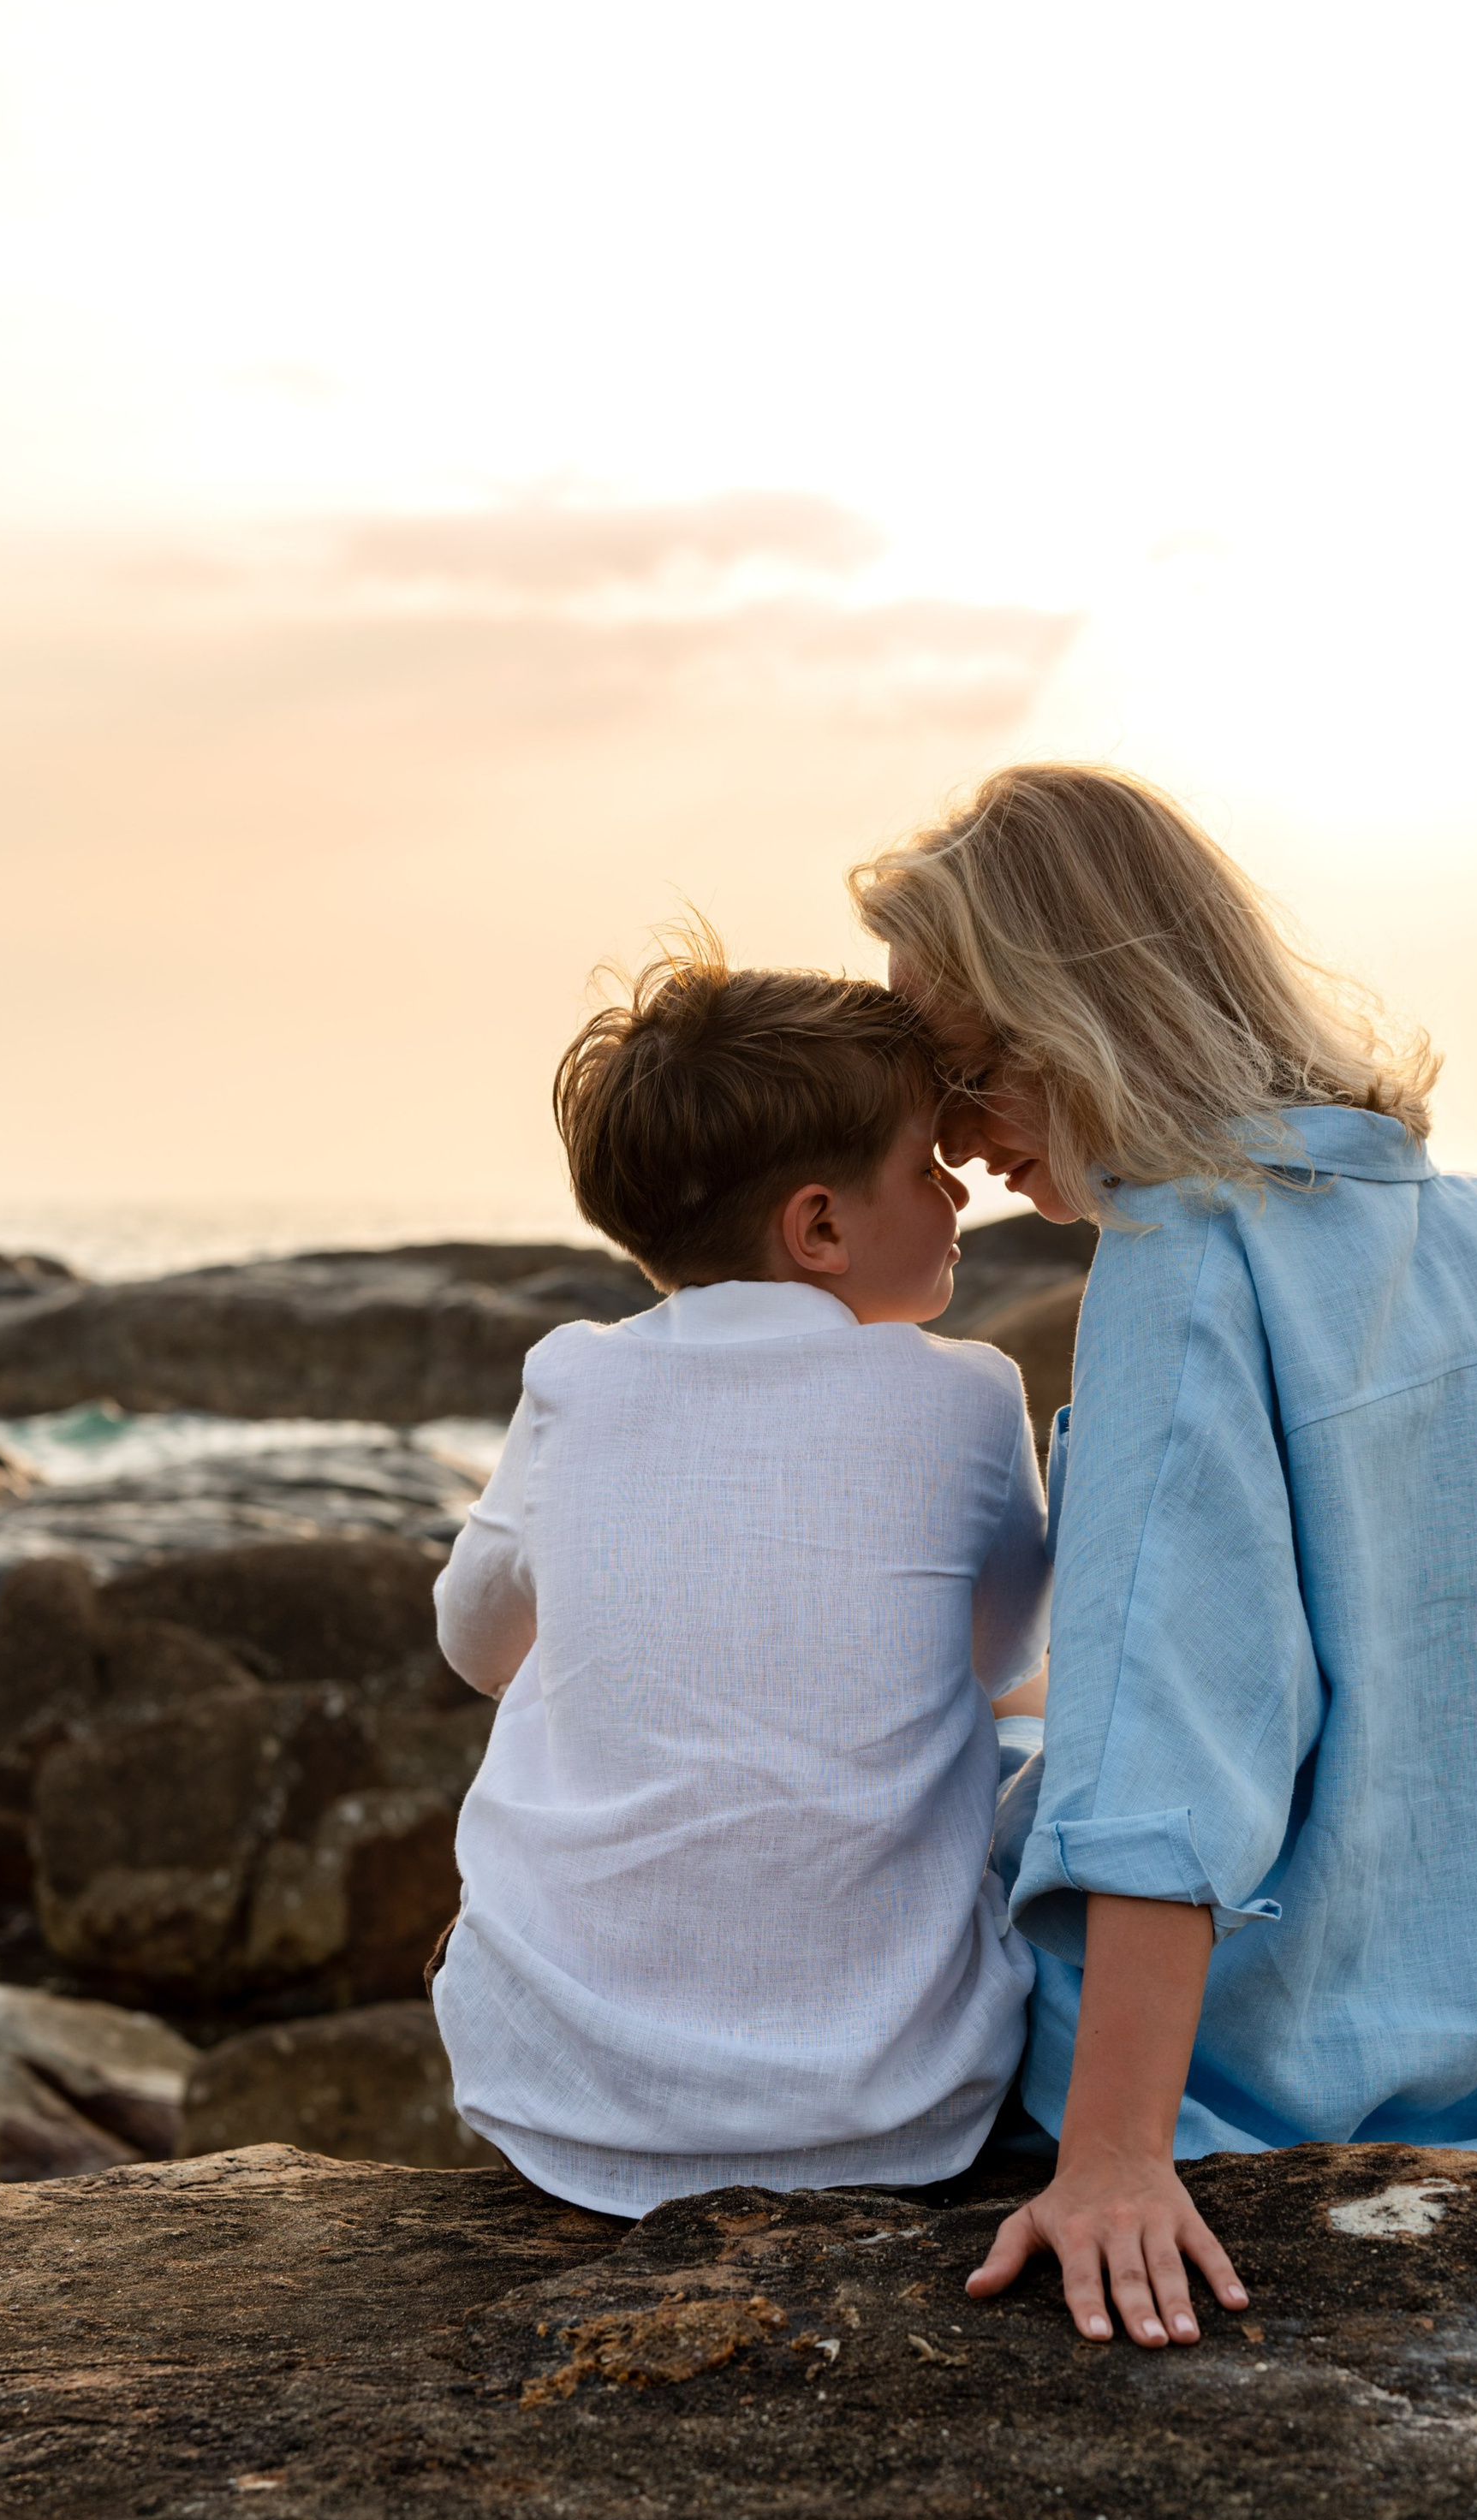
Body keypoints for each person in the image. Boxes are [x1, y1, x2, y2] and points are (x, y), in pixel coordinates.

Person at [851, 761, 1477, 2351]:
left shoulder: (1186, 1264)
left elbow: (1172, 1742)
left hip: (1232, 2100)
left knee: (927, 1740)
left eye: (961, 1072)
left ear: (1078, 1022)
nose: (951, 1142)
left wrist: (1112, 2159)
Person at [429, 944, 1050, 2216]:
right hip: (902, 2100)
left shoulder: (572, 1378)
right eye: (928, 1167)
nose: (956, 1194)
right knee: (1026, 1729)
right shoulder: (969, 1394)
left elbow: (472, 1643)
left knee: (547, 1692)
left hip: (560, 2097)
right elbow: (991, 1659)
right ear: (818, 1224)